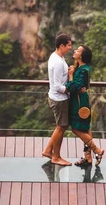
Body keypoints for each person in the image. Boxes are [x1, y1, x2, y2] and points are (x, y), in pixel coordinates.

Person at [66, 45, 104, 166]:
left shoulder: (83, 70)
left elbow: (73, 88)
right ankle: (88, 158)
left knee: (76, 128)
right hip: (79, 99)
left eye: (77, 50)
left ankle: (97, 150)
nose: (74, 51)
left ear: (81, 55)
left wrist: (71, 76)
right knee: (85, 129)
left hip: (79, 101)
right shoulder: (80, 68)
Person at [42, 33, 72, 166]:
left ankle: (48, 150)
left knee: (60, 126)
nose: (70, 48)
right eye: (69, 45)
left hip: (57, 97)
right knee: (61, 126)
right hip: (59, 99)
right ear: (62, 45)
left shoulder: (57, 57)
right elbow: (57, 85)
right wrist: (71, 89)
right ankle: (56, 157)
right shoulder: (58, 62)